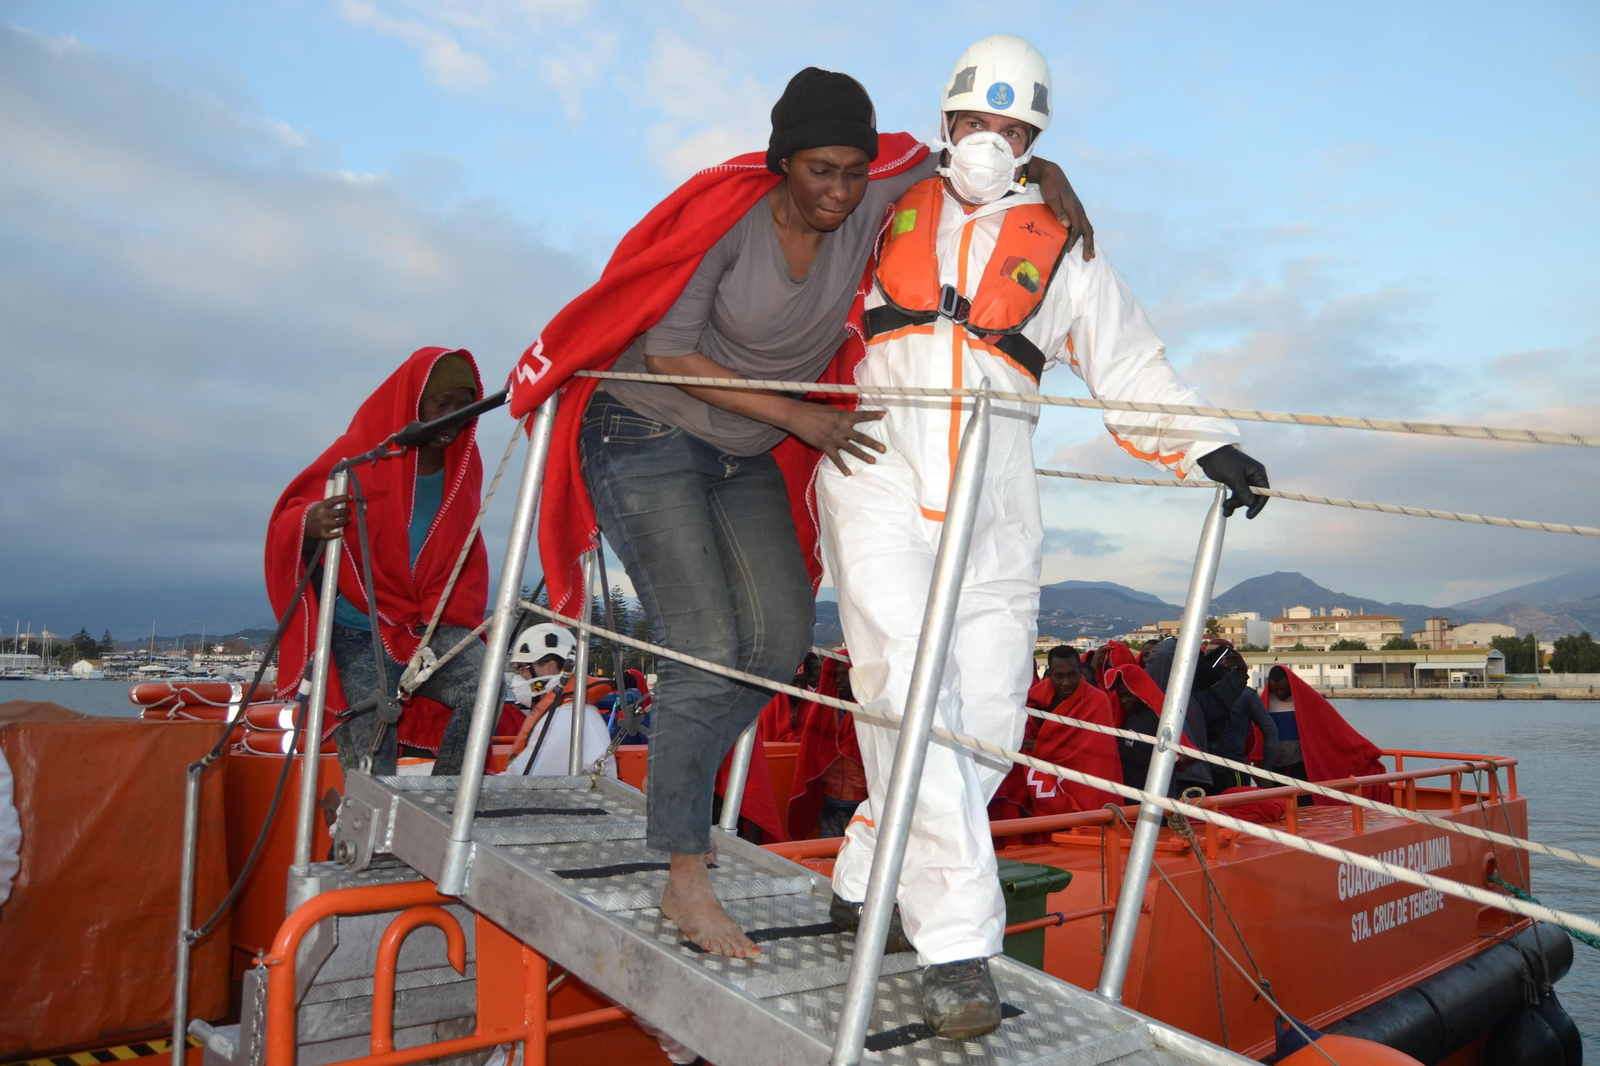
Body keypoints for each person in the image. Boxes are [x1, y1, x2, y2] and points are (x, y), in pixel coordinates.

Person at [506, 67, 1094, 958]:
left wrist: (1039, 174)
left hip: (737, 448)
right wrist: (799, 418)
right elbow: (666, 352)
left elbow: (965, 164)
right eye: (821, 169)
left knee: (779, 641)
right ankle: (685, 874)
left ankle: (686, 794)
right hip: (645, 426)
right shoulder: (733, 226)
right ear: (782, 163)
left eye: (854, 171)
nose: (840, 190)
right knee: (704, 644)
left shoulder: (869, 199)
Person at [818, 35, 1271, 1037]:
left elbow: (1129, 363)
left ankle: (862, 872)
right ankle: (955, 951)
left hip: (997, 506)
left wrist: (1207, 442)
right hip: (876, 474)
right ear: (945, 120)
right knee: (902, 690)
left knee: (982, 724)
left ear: (1034, 136)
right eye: (977, 119)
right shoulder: (879, 197)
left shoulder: (1061, 244)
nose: (991, 138)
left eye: (1012, 125)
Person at [266, 348, 490, 775]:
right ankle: (362, 833)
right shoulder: (359, 453)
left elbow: (464, 547)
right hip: (357, 632)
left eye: (466, 407)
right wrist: (310, 522)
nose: (453, 420)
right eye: (442, 406)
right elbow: (289, 518)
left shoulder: (466, 464)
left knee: (485, 689)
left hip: (428, 625)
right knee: (373, 760)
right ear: (413, 403)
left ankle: (444, 812)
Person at [988, 646, 1121, 840]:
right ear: (1049, 673)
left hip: (1081, 782)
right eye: (1059, 676)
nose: (1066, 682)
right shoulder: (1035, 700)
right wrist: (1033, 747)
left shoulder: (1098, 701)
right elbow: (1024, 734)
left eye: (1072, 675)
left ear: (1080, 671)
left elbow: (1096, 752)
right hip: (1042, 775)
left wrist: (1043, 746)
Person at [505, 623, 617, 778]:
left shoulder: (563, 718)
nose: (520, 676)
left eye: (523, 668)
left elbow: (524, 781)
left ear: (551, 668)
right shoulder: (573, 710)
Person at [1259, 665, 1385, 800]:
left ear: (1291, 684)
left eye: (1283, 689)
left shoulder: (1306, 700)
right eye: (1276, 689)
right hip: (1275, 767)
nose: (1279, 693)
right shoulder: (1263, 703)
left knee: (1304, 807)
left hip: (1301, 766)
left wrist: (1364, 749)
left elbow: (1335, 727)